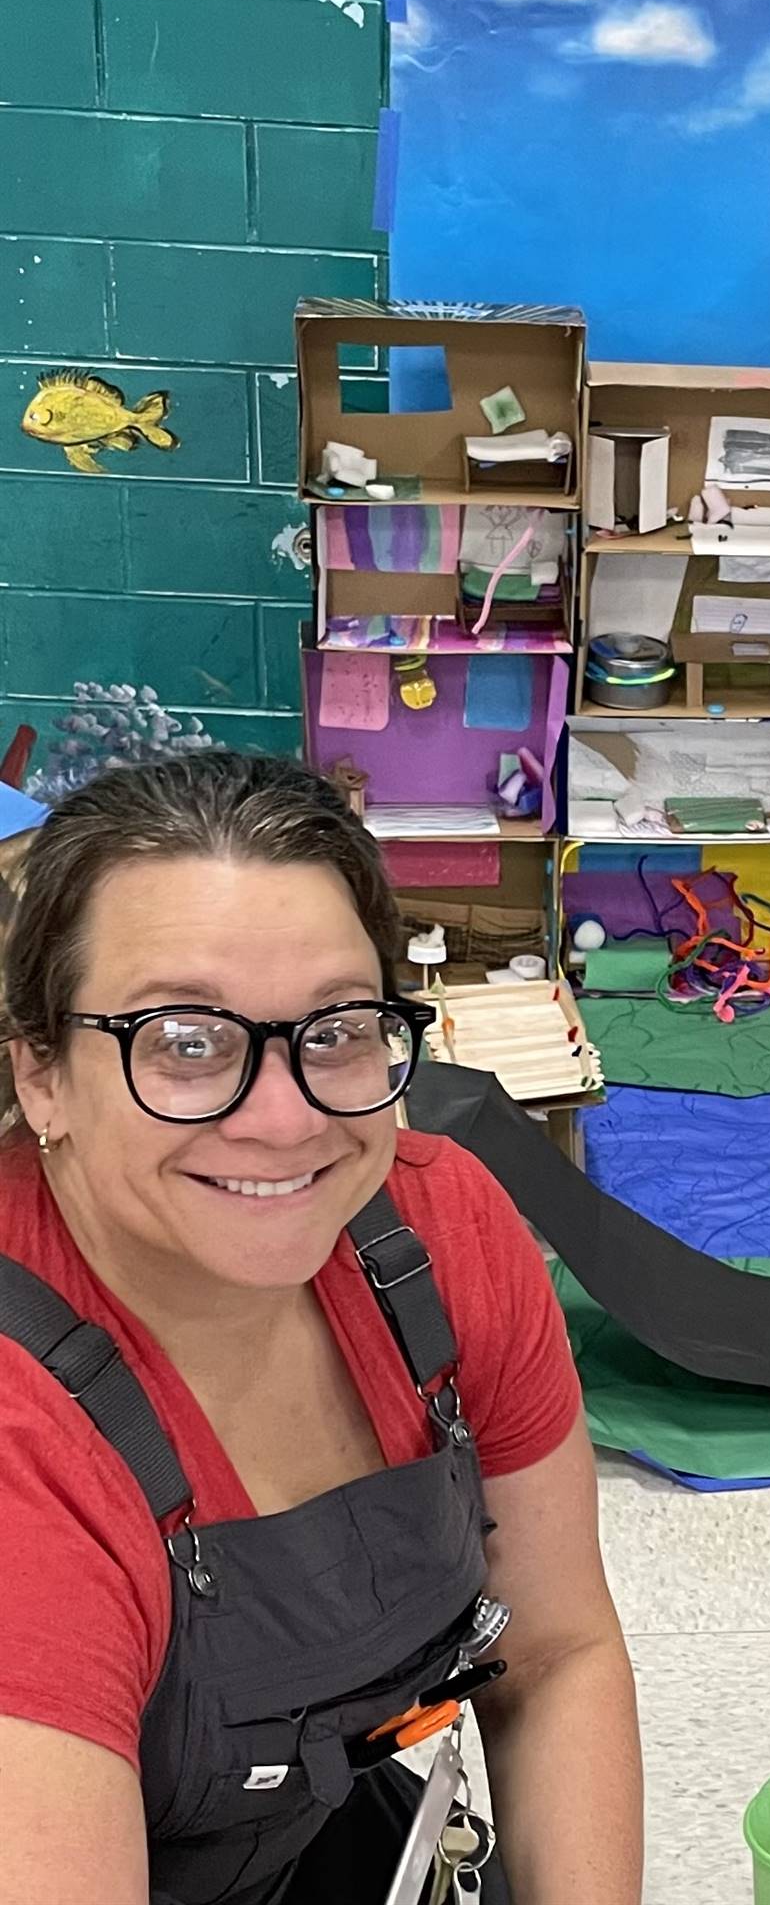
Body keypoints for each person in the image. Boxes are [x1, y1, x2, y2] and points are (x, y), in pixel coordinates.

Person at [0, 754, 644, 1905]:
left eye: (339, 1029)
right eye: (186, 1043)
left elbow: (553, 1655)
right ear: (42, 1073)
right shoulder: (22, 1443)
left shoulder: (439, 1229)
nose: (288, 1119)